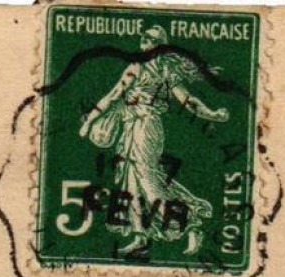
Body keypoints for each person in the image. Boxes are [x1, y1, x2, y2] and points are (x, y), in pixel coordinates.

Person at [78, 26, 230, 255]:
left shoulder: (160, 70)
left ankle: (190, 224)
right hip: (130, 127)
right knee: (130, 181)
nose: (145, 40)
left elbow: (187, 100)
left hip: (147, 127)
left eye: (151, 39)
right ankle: (140, 235)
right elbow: (113, 96)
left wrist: (212, 114)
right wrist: (90, 121)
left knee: (148, 181)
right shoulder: (136, 67)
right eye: (144, 37)